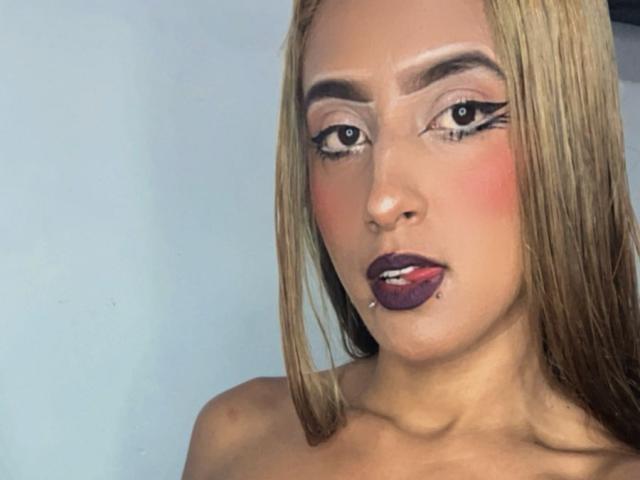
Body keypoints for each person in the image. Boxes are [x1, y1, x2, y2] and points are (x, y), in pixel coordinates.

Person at [182, 0, 640, 478]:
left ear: (566, 132)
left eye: (461, 115)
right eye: (342, 135)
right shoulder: (235, 438)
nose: (381, 200)